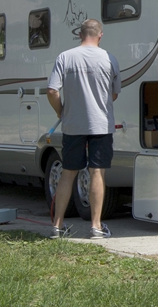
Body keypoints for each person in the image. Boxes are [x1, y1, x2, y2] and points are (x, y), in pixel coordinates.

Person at [46, 18, 121, 239]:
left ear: (80, 35)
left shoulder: (65, 57)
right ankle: (96, 227)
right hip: (101, 124)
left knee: (68, 173)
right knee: (97, 172)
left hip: (72, 125)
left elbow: (51, 91)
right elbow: (114, 94)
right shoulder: (110, 59)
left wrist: (60, 111)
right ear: (100, 35)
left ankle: (57, 227)